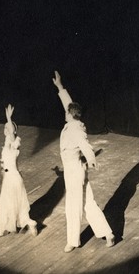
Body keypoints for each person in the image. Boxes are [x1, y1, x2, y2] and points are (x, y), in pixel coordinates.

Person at [52, 71, 115, 252]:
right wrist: (60, 87)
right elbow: (68, 104)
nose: (65, 113)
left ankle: (72, 241)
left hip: (74, 172)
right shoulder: (74, 122)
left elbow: (85, 145)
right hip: (77, 170)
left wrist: (92, 159)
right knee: (89, 202)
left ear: (71, 115)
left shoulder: (75, 129)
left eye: (67, 113)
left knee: (73, 206)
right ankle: (108, 233)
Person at [0, 104, 38, 238]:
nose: (6, 129)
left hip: (13, 178)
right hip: (11, 177)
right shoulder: (7, 144)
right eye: (5, 127)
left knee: (6, 204)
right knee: (16, 205)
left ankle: (1, 229)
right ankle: (30, 223)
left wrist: (8, 118)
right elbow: (4, 162)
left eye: (8, 127)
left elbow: (12, 133)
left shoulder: (14, 141)